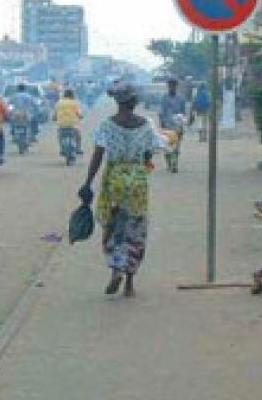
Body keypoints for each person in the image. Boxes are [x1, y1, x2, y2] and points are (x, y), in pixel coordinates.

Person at [79, 82, 165, 298]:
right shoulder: (146, 125)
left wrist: (88, 182)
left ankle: (116, 269)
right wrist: (144, 164)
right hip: (137, 184)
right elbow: (150, 153)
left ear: (117, 102)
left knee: (113, 229)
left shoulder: (107, 125)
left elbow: (97, 156)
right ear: (135, 102)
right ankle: (129, 283)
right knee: (135, 232)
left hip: (114, 182)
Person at [158, 78, 187, 173]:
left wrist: (183, 124)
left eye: (173, 85)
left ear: (176, 86)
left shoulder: (181, 99)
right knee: (167, 147)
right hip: (166, 126)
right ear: (168, 86)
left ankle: (174, 165)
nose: (172, 87)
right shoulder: (164, 98)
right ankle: (169, 163)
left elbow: (183, 113)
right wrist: (161, 124)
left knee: (176, 147)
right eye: (170, 85)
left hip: (177, 127)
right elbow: (161, 112)